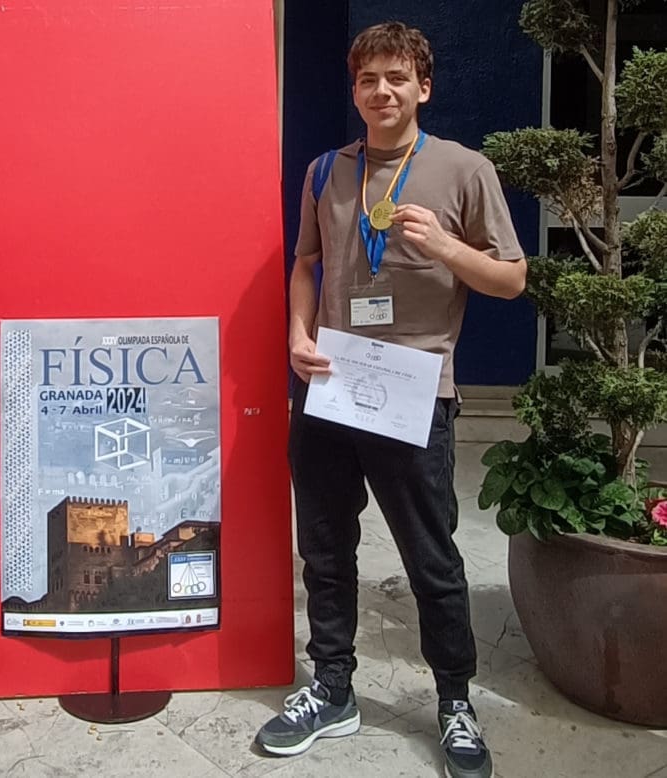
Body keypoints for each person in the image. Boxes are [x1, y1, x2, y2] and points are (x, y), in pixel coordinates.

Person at [255, 21, 526, 778]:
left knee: (430, 556)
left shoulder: (464, 169)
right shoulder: (325, 171)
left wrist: (445, 246)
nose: (382, 91)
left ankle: (455, 699)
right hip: (330, 385)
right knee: (325, 548)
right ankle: (332, 686)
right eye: (368, 79)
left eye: (397, 78)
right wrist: (297, 333)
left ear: (423, 87)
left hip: (415, 390)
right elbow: (305, 264)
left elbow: (511, 279)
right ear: (355, 90)